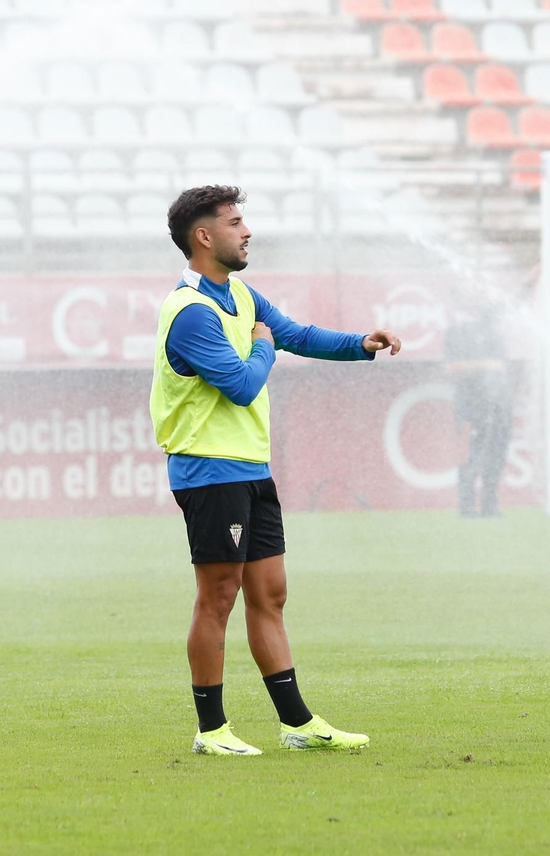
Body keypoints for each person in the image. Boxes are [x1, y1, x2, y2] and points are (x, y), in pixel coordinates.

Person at [150, 184, 402, 756]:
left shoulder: (239, 293)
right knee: (218, 597)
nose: (247, 232)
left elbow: (296, 335)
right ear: (204, 236)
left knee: (270, 594)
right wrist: (263, 344)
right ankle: (211, 730)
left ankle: (297, 724)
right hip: (209, 470)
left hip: (249, 468)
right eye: (235, 222)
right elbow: (242, 384)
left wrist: (360, 344)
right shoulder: (190, 312)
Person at [443, 303, 513, 517]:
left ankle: (490, 505)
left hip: (498, 404)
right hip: (470, 406)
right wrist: (485, 366)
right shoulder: (456, 332)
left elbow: (502, 366)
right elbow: (450, 367)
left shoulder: (494, 333)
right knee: (471, 456)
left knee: (496, 455)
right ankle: (466, 507)